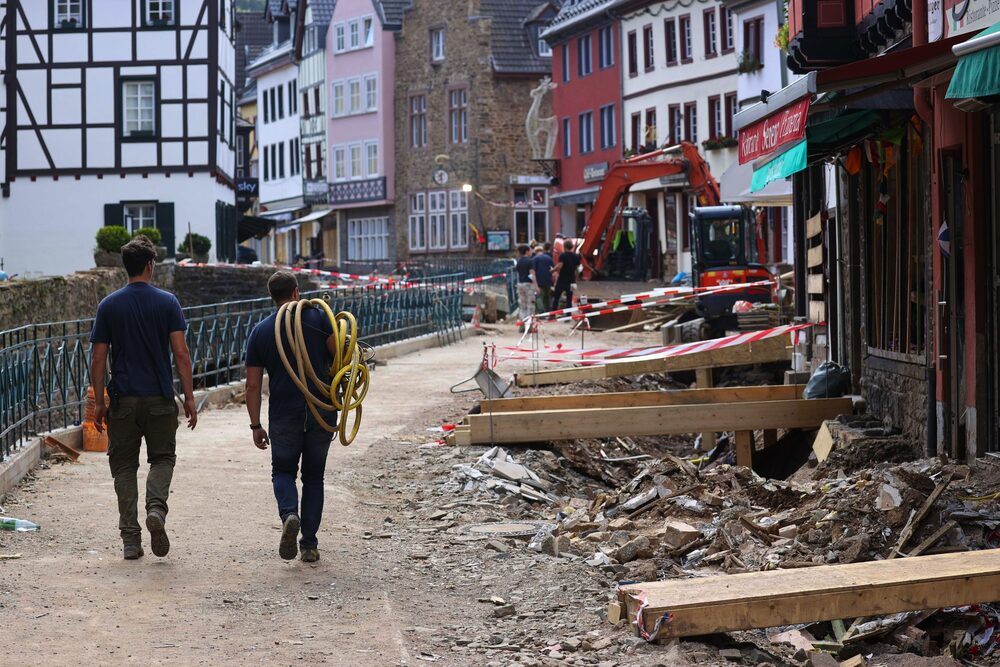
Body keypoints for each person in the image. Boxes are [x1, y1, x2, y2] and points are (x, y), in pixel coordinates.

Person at [90, 235, 197, 561]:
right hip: (160, 398)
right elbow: (181, 353)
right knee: (162, 459)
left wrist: (99, 401)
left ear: (126, 267)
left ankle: (131, 541)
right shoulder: (168, 302)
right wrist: (189, 397)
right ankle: (156, 510)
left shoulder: (108, 305)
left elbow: (98, 357)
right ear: (150, 265)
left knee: (123, 466)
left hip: (122, 400)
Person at [245, 271, 338, 563]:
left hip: (284, 413)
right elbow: (341, 357)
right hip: (321, 409)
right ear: (297, 292)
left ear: (272, 296)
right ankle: (308, 545)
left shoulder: (261, 331)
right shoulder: (321, 319)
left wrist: (256, 424)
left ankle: (289, 515)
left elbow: (252, 385)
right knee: (313, 477)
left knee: (283, 472)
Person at [551, 239, 582, 311]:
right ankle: (568, 315)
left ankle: (553, 314)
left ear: (564, 246)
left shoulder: (563, 255)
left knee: (556, 297)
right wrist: (576, 279)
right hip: (571, 280)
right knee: (569, 298)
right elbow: (577, 270)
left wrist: (552, 271)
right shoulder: (576, 256)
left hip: (562, 279)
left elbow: (559, 266)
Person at [514, 244, 536, 331]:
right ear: (526, 251)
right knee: (530, 305)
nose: (531, 252)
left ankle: (522, 325)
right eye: (530, 250)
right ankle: (529, 326)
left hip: (520, 285)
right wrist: (536, 285)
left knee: (522, 306)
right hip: (528, 285)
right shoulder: (530, 261)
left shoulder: (519, 261)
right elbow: (532, 274)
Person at [532, 243, 554, 313]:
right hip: (548, 280)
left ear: (535, 252)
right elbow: (553, 270)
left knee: (539, 297)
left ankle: (541, 312)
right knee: (547, 297)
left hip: (538, 281)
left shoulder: (534, 259)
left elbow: (533, 271)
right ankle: (548, 311)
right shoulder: (549, 258)